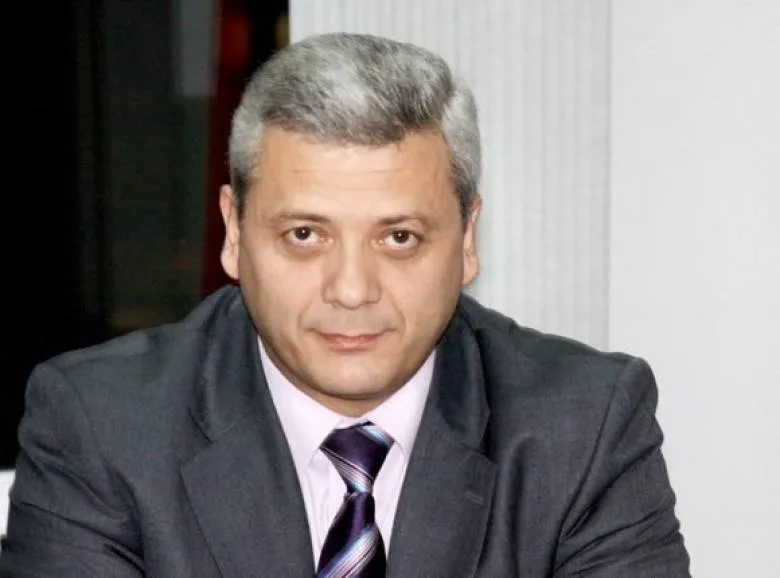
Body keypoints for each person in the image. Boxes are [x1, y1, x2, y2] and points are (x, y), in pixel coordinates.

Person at [0, 32, 690, 577]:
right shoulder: (101, 426)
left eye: (399, 237)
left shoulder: (585, 427)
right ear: (234, 234)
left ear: (466, 240)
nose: (352, 290)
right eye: (305, 235)